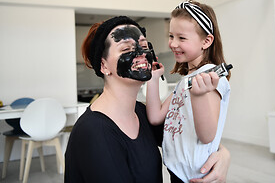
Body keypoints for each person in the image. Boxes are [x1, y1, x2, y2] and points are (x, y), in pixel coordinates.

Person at [65, 16, 230, 183]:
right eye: (126, 49)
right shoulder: (92, 133)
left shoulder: (140, 113)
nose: (141, 54)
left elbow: (183, 137)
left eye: (144, 46)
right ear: (103, 66)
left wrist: (223, 154)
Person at [146, 0, 231, 183]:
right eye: (171, 36)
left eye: (182, 38)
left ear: (206, 41)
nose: (173, 43)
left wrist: (198, 96)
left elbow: (208, 136)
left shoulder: (210, 79)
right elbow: (155, 117)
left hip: (196, 175)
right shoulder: (185, 81)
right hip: (177, 169)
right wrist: (153, 78)